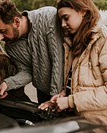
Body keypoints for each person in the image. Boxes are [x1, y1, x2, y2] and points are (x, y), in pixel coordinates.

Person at [39, 0, 107, 131]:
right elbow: (85, 81)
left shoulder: (103, 39)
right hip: (85, 125)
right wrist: (65, 94)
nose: (63, 25)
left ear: (83, 11)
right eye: (61, 20)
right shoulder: (75, 41)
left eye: (66, 18)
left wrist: (71, 101)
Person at [0, 0, 64, 106]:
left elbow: (58, 61)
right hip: (43, 94)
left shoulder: (48, 17)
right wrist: (7, 83)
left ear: (16, 22)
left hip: (65, 92)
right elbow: (27, 72)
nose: (0, 38)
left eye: (2, 31)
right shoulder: (10, 47)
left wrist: (53, 98)